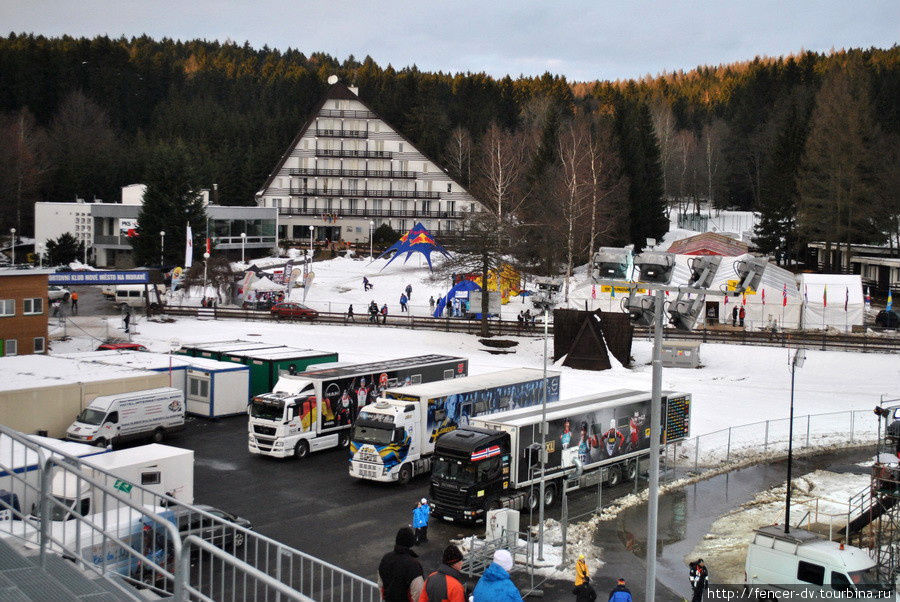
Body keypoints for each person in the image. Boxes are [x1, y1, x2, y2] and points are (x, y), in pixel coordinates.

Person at [378, 527, 424, 602]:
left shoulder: (386, 558)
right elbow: (418, 591)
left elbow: (381, 583)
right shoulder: (413, 565)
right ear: (411, 542)